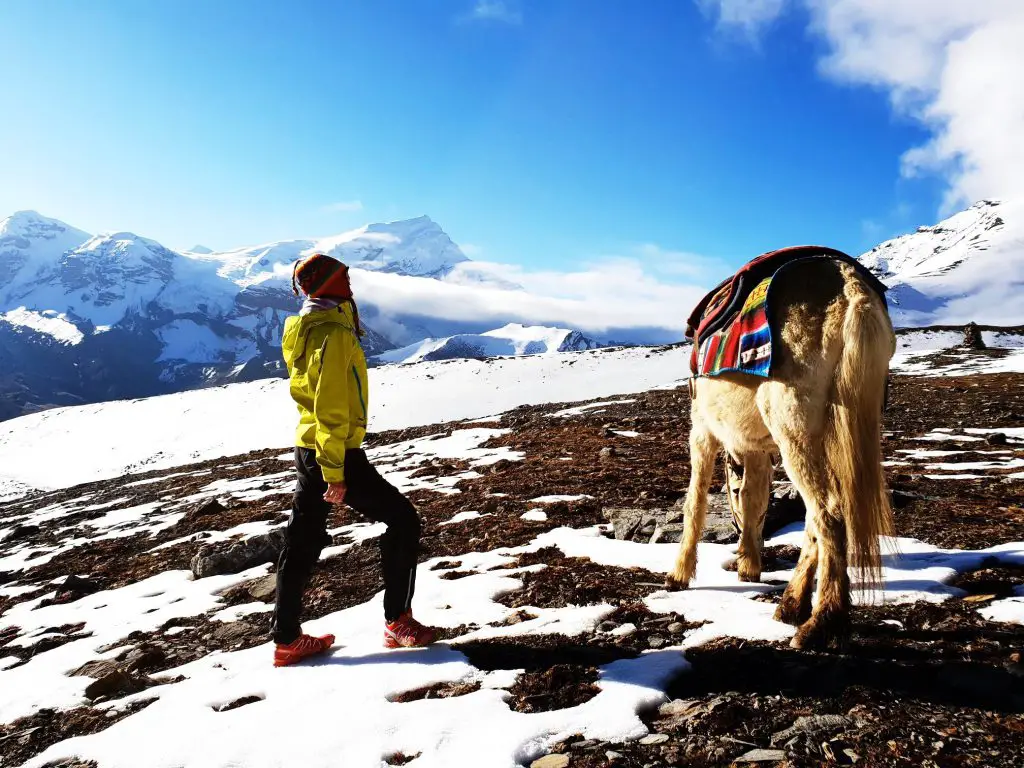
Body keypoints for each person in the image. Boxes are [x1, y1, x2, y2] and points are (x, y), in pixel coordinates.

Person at [271, 253, 437, 667]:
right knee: (402, 519)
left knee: (302, 541)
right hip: (335, 451)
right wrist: (336, 472)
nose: (350, 283)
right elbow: (331, 405)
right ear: (326, 284)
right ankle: (397, 621)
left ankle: (287, 638)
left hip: (307, 447)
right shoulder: (332, 332)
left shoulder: (304, 325)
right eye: (343, 277)